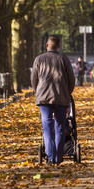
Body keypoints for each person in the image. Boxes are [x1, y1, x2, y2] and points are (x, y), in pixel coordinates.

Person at [30, 35, 75, 164]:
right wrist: (67, 92)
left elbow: (34, 79)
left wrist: (37, 91)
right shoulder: (64, 60)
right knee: (60, 126)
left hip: (43, 98)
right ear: (59, 46)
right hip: (61, 97)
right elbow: (71, 79)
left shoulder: (39, 59)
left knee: (47, 127)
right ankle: (58, 157)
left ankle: (50, 157)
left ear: (47, 45)